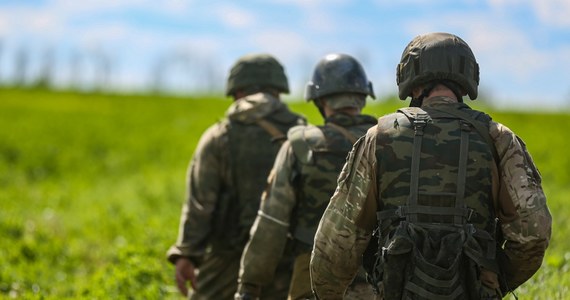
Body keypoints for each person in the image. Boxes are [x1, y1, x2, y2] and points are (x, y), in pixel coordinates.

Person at [310, 32, 552, 299]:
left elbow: (337, 240)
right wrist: (495, 282)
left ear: (412, 83)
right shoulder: (499, 138)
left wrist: (327, 294)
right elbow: (534, 233)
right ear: (466, 81)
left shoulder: (379, 137)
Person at [235, 53, 378, 300]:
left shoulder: (301, 145)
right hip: (377, 283)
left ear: (319, 99)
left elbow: (272, 221)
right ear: (363, 97)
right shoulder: (389, 143)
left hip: (312, 283)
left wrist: (249, 284)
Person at [167, 53, 306, 300]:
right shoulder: (303, 133)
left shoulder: (219, 136)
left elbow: (200, 204)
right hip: (289, 259)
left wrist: (187, 253)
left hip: (229, 259)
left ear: (238, 92)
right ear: (278, 91)